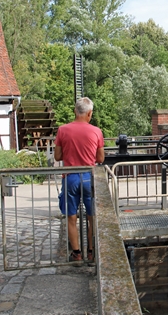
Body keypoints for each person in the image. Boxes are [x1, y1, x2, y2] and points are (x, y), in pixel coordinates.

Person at [54, 97, 106, 262]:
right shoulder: (96, 131)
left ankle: (76, 253)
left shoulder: (62, 130)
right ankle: (91, 252)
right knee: (92, 216)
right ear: (90, 113)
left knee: (71, 217)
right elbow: (101, 158)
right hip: (88, 177)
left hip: (70, 177)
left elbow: (57, 155)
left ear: (75, 111)